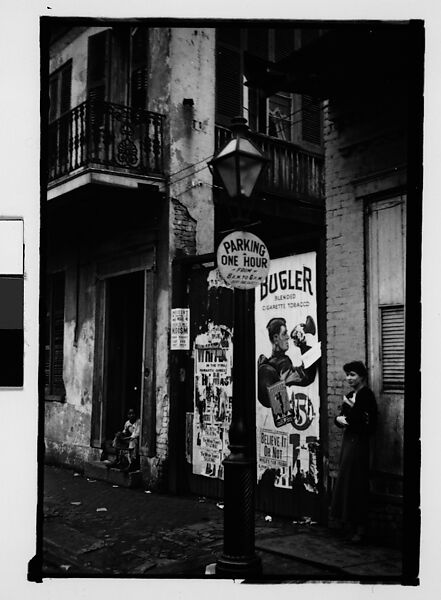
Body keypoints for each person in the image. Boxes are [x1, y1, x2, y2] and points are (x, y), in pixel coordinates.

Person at [330, 361, 377, 543]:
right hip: (348, 441)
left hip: (359, 443)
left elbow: (369, 424)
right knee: (346, 481)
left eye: (353, 375)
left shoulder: (366, 396)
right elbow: (340, 418)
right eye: (347, 375)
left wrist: (349, 418)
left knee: (357, 482)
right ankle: (349, 524)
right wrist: (340, 419)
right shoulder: (350, 395)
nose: (349, 378)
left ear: (362, 376)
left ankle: (360, 528)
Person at [257, 317, 317, 408]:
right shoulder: (282, 363)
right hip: (282, 411)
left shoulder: (272, 362)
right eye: (284, 333)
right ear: (276, 338)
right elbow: (306, 377)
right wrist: (303, 345)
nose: (288, 337)